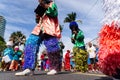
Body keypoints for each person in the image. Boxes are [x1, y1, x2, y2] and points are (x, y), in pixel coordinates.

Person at [15, 0, 61, 76]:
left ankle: (54, 68)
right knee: (30, 43)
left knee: (52, 46)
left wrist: (43, 4)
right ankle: (28, 68)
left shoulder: (52, 3)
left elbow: (54, 13)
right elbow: (37, 20)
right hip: (39, 27)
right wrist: (37, 15)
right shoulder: (40, 5)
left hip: (49, 27)